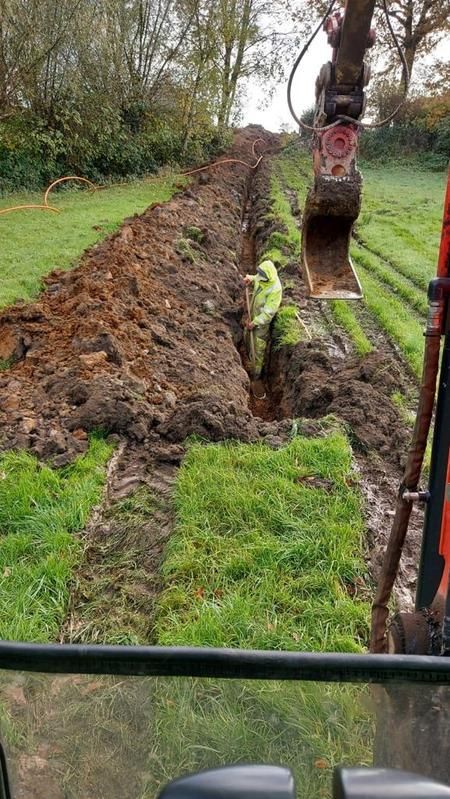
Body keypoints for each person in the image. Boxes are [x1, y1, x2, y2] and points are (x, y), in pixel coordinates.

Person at [243, 259, 282, 378]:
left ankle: (256, 374)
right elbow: (257, 278)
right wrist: (251, 278)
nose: (259, 276)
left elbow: (268, 313)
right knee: (247, 338)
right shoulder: (264, 277)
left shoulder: (275, 289)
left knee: (258, 348)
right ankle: (247, 359)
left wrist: (255, 322)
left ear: (268, 277)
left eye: (261, 275)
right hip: (253, 315)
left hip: (261, 323)